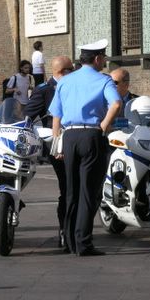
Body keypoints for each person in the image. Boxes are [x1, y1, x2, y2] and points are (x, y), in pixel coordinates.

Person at [49, 39, 121, 257]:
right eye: (104, 57)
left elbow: (56, 114)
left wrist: (57, 142)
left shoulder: (65, 81)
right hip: (91, 136)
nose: (105, 61)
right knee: (89, 192)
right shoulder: (104, 80)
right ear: (97, 59)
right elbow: (116, 103)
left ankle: (69, 241)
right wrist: (103, 126)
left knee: (71, 192)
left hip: (69, 136)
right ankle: (83, 243)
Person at [24, 55, 74, 250]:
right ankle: (65, 230)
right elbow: (28, 116)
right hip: (57, 145)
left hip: (78, 140)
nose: (74, 72)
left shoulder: (75, 86)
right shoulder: (44, 90)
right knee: (67, 188)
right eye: (71, 69)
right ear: (62, 72)